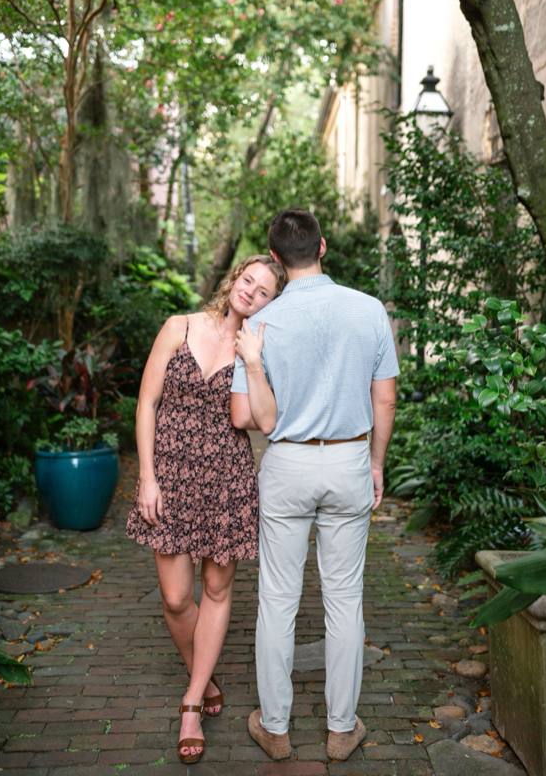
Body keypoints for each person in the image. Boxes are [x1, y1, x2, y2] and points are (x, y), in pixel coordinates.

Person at [231, 208, 399, 763]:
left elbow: (249, 419)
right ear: (323, 246)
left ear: (275, 259)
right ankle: (340, 728)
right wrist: (376, 462)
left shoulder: (258, 326)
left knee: (277, 600)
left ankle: (275, 728)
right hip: (349, 459)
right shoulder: (369, 310)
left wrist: (257, 369)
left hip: (287, 465)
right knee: (344, 599)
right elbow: (385, 397)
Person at [126, 255, 286, 764]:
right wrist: (147, 476)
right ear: (234, 278)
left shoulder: (258, 348)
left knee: (216, 589)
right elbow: (146, 403)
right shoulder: (179, 326)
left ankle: (192, 700)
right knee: (176, 598)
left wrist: (255, 361)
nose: (252, 293)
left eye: (264, 292)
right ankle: (203, 671)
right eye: (249, 281)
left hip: (227, 481)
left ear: (270, 303)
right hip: (170, 477)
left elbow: (264, 422)